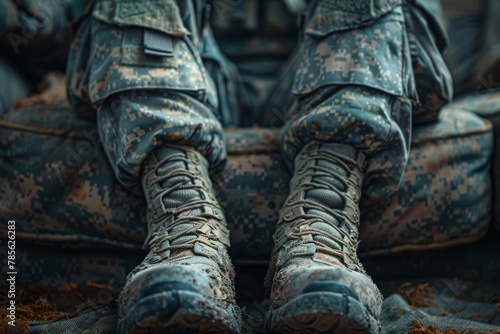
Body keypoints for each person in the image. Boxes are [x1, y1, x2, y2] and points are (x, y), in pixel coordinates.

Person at [61, 0, 452, 333]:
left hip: (320, 84)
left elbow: (424, 66)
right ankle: (186, 236)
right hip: (196, 86)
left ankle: (319, 234)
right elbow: (66, 41)